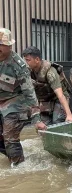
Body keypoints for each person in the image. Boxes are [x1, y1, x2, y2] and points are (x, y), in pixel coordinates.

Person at [0, 28, 47, 166]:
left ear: (9, 46)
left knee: (9, 137)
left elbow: (29, 93)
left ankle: (18, 168)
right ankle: (12, 156)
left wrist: (37, 119)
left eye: (1, 44)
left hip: (16, 101)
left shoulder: (18, 65)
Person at [22, 46, 72, 125]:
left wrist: (69, 115)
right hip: (45, 99)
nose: (26, 62)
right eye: (25, 60)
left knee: (57, 122)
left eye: (28, 60)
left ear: (37, 60)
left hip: (58, 98)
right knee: (44, 126)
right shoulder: (29, 71)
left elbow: (60, 95)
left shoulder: (50, 72)